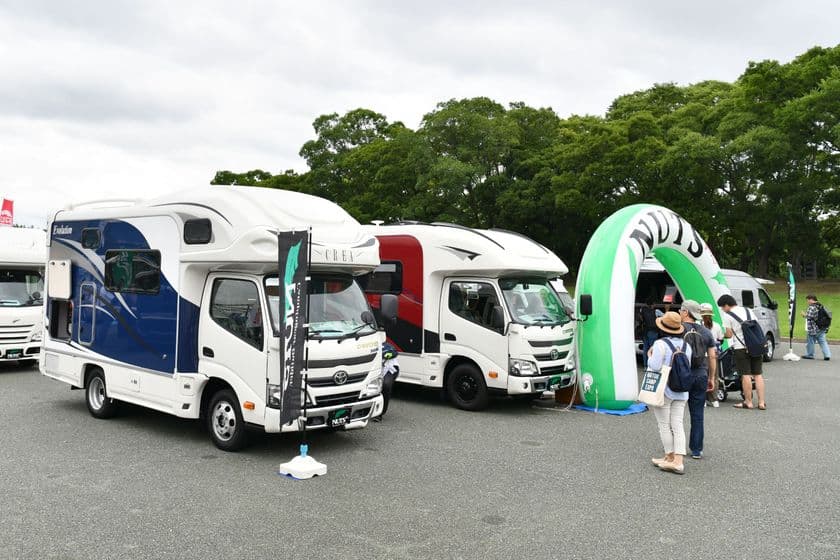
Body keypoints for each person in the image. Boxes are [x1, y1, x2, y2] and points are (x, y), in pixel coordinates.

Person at [648, 311, 693, 475]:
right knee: (677, 424)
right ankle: (676, 459)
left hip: (665, 390)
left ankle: (671, 458)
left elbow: (654, 366)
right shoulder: (687, 346)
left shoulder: (660, 344)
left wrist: (649, 355)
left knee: (664, 425)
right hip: (682, 391)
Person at [678, 300, 717, 460]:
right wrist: (711, 377)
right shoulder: (706, 332)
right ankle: (696, 449)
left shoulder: (678, 329)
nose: (679, 313)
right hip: (701, 374)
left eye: (681, 310)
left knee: (676, 412)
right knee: (697, 413)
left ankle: (677, 447)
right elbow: (712, 356)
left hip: (682, 375)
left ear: (686, 312)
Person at [718, 294, 766, 410]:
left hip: (741, 347)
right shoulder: (748, 310)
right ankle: (761, 402)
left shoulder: (728, 315)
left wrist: (721, 335)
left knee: (745, 375)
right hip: (756, 346)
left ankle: (748, 402)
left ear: (726, 305)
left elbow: (729, 334)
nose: (722, 309)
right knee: (758, 374)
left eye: (722, 307)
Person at [700, 302, 724, 408]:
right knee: (714, 376)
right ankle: (714, 399)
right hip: (714, 354)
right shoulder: (717, 326)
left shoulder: (698, 325)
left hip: (701, 355)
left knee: (702, 376)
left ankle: (703, 399)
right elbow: (721, 340)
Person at [801, 294, 832, 361]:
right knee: (823, 342)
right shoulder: (820, 305)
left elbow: (809, 316)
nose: (807, 302)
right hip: (822, 327)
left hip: (813, 328)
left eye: (808, 300)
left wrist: (803, 315)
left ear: (811, 299)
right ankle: (827, 355)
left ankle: (810, 355)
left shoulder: (812, 307)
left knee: (810, 341)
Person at [640, 298, 659, 368]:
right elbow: (665, 316)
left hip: (645, 331)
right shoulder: (656, 311)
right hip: (653, 332)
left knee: (645, 349)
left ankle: (645, 366)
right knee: (652, 349)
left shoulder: (642, 310)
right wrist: (667, 309)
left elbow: (641, 318)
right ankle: (651, 366)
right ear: (653, 304)